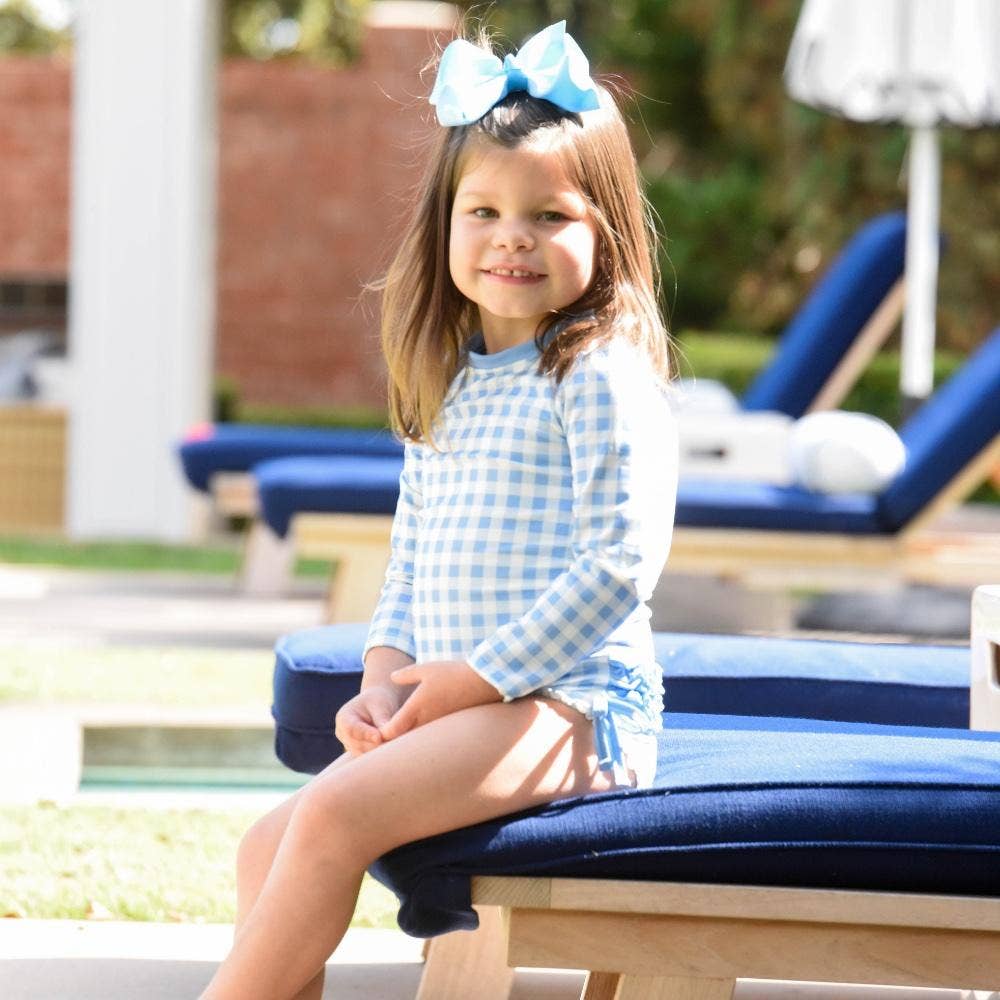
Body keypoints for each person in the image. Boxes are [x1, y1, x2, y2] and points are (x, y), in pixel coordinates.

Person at [200, 20, 676, 1000]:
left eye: (550, 214)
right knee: (265, 845)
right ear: (444, 225)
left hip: (572, 707)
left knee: (332, 818)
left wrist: (476, 677)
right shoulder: (449, 378)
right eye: (484, 209)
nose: (512, 235)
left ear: (607, 233)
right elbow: (411, 556)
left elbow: (621, 561)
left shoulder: (596, 371)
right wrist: (383, 679)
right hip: (467, 704)